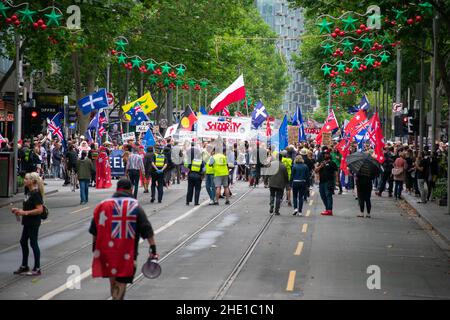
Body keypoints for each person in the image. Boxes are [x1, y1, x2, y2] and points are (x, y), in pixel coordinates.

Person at [89, 178, 158, 300]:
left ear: (117, 189)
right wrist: (153, 249)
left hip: (107, 253)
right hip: (127, 253)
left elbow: (95, 229)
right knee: (122, 281)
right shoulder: (134, 206)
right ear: (131, 190)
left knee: (113, 281)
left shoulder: (103, 205)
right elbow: (147, 229)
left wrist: (95, 247)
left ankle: (116, 297)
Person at [12, 172, 45, 276]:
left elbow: (40, 210)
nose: (24, 180)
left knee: (33, 243)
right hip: (27, 221)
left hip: (33, 222)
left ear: (32, 182)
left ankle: (37, 267)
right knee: (23, 241)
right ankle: (24, 266)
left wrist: (24, 212)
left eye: (26, 179)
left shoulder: (36, 194)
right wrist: (19, 210)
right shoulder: (28, 192)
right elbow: (28, 207)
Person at [315, 149, 338, 216]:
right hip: (322, 181)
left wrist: (336, 181)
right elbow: (316, 171)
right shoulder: (321, 163)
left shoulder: (332, 163)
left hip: (329, 181)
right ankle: (327, 208)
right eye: (325, 154)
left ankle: (329, 210)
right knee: (322, 195)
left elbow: (336, 172)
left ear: (329, 155)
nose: (326, 155)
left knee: (328, 195)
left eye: (327, 154)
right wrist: (320, 166)